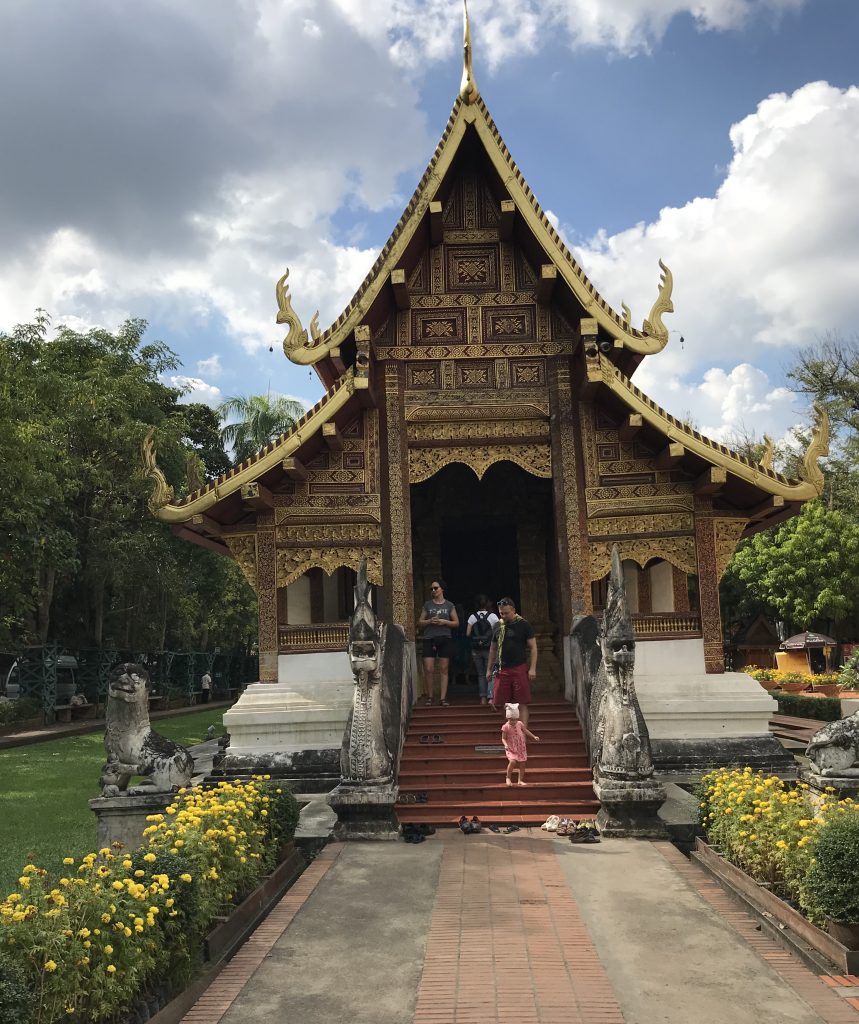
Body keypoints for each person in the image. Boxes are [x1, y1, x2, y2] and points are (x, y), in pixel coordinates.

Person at [487, 597, 537, 727]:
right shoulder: (497, 626)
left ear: (513, 610)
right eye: (501, 613)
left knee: (522, 702)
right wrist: (488, 669)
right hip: (502, 669)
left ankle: (522, 733)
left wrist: (532, 668)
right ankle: (510, 731)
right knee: (504, 702)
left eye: (506, 613)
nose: (503, 616)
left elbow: (533, 647)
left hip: (518, 667)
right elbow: (493, 649)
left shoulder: (524, 625)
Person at [418, 579, 459, 706]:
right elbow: (420, 622)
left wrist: (444, 622)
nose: (433, 591)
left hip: (445, 637)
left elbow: (456, 622)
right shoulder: (427, 605)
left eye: (436, 588)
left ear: (442, 589)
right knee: (429, 668)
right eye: (431, 589)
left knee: (444, 668)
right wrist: (430, 621)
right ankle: (430, 696)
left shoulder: (449, 605)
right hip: (429, 638)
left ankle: (443, 698)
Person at [466, 595, 499, 705]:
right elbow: (498, 632)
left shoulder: (472, 617)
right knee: (490, 672)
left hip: (476, 649)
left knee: (480, 674)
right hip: (489, 648)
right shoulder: (493, 616)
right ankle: (491, 697)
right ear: (488, 604)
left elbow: (467, 633)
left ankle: (482, 698)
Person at [501, 702, 539, 786]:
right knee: (513, 761)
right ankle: (508, 777)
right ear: (508, 718)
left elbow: (525, 731)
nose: (514, 721)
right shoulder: (505, 727)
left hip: (520, 747)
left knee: (522, 764)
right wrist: (506, 745)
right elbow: (503, 738)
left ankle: (520, 780)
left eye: (515, 719)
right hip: (511, 747)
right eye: (511, 719)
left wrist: (533, 736)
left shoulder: (520, 723)